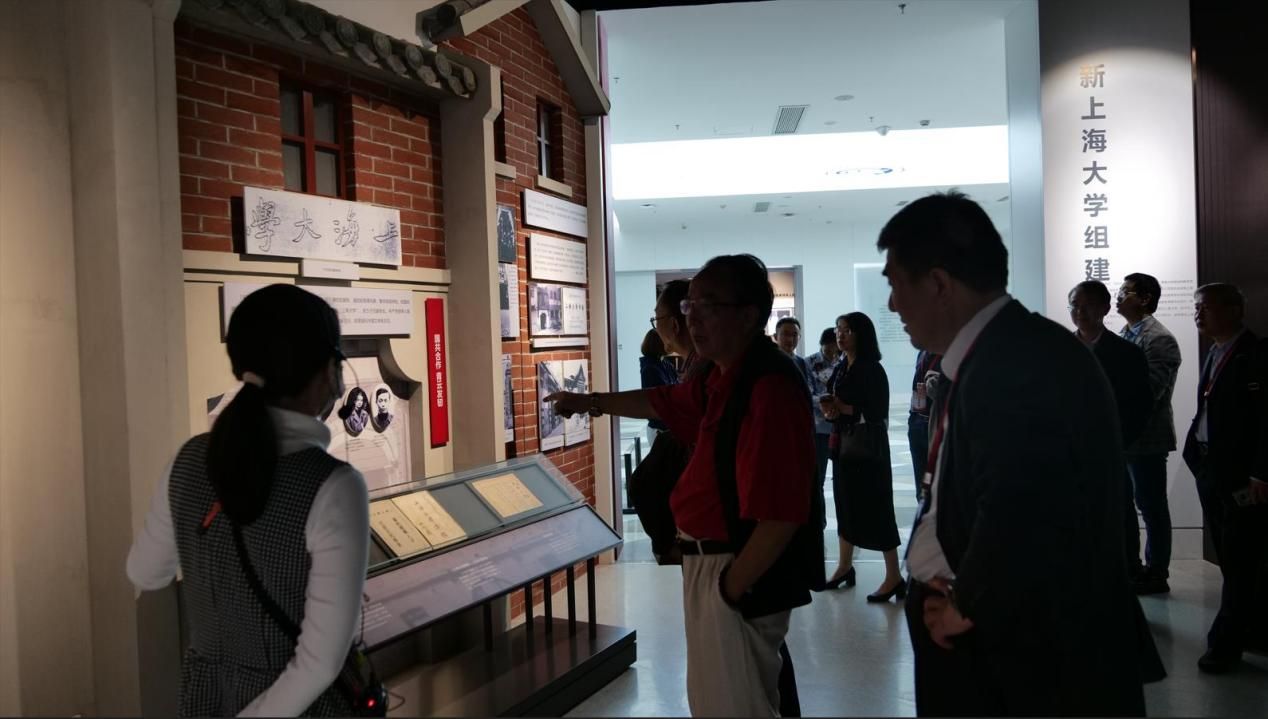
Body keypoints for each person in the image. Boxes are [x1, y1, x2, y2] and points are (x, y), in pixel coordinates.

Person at [883, 191, 1147, 716]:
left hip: (1026, 659)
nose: (892, 304)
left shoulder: (1016, 364)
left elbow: (1023, 511)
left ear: (938, 284)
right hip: (1007, 644)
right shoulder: (997, 352)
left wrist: (966, 602)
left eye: (895, 284)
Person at [548, 254, 818, 717]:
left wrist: (730, 589)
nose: (692, 318)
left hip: (734, 566)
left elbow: (781, 514)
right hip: (712, 564)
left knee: (736, 706)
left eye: (708, 305)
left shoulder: (767, 385)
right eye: (690, 305)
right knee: (716, 702)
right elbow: (663, 401)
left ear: (749, 315)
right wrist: (590, 402)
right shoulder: (719, 374)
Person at [126, 284, 370, 716]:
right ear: (326, 371)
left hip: (205, 697)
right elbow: (319, 663)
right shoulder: (335, 486)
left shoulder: (188, 459)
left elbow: (145, 570)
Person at [1181, 283, 1268, 674]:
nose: (1198, 314)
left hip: (1241, 477)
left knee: (1240, 558)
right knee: (1232, 559)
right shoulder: (1215, 352)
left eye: (1206, 307)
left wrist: (1261, 472)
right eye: (1196, 308)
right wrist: (1195, 455)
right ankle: (1252, 630)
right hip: (1212, 470)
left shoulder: (1256, 354)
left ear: (1234, 309)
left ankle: (1227, 643)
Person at [1070, 281, 1155, 571]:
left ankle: (1127, 573)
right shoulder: (1061, 350)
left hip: (1111, 451)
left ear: (1105, 309)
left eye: (1088, 306)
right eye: (1075, 305)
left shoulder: (1126, 353)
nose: (1080, 312)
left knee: (1118, 514)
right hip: (1069, 454)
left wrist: (1118, 443)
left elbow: (1140, 406)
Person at [819, 312, 903, 601]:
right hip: (844, 447)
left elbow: (877, 412)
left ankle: (894, 575)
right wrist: (831, 410)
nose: (840, 335)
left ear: (861, 335)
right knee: (845, 505)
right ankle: (844, 566)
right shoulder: (843, 366)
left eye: (847, 330)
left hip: (868, 450)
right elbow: (839, 405)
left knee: (878, 508)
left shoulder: (871, 369)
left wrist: (843, 408)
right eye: (838, 329)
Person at [1117, 272, 1182, 594]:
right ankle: (1134, 567)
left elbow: (1151, 392)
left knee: (1151, 506)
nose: (1119, 296)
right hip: (1124, 437)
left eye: (1126, 291)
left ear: (1144, 298)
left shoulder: (1159, 339)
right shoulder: (1124, 334)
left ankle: (1157, 572)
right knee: (1127, 506)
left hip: (1147, 438)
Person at [805, 327, 840, 529]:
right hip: (818, 429)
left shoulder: (843, 362)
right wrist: (826, 402)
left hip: (840, 428)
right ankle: (819, 522)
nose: (831, 349)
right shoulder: (809, 362)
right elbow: (807, 393)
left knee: (842, 480)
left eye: (834, 345)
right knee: (817, 479)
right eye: (827, 345)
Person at [907, 350, 942, 496]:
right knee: (921, 486)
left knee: (934, 483)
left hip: (934, 424)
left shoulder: (946, 353)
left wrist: (933, 382)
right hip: (917, 421)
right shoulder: (922, 353)